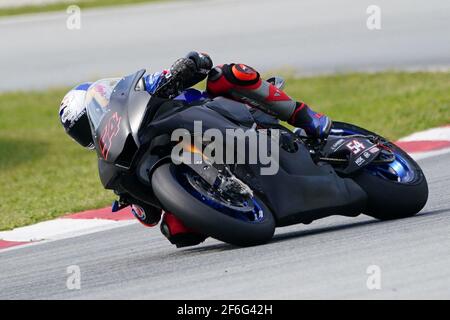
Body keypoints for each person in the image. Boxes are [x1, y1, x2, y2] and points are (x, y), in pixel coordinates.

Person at [59, 51, 332, 247]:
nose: (91, 132)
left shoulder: (144, 89)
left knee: (228, 74)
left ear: (101, 101)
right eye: (83, 133)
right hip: (182, 153)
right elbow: (149, 218)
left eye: (87, 122)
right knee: (178, 232)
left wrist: (187, 66)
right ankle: (238, 203)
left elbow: (197, 63)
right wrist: (134, 197)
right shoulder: (116, 154)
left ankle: (306, 116)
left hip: (217, 113)